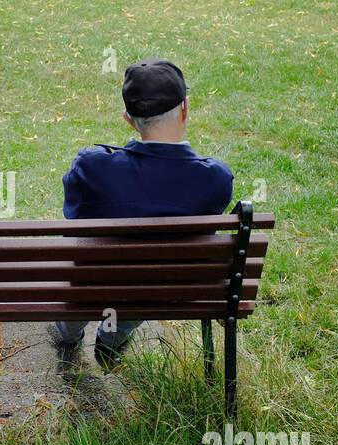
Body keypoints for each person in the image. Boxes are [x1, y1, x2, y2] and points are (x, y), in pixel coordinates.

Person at [50, 59, 233, 370]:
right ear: (185, 109)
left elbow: (74, 215)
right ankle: (112, 339)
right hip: (162, 288)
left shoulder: (93, 168)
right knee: (141, 286)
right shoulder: (214, 179)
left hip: (94, 282)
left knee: (87, 273)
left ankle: (68, 335)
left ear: (128, 118)